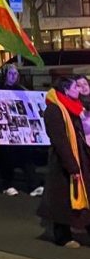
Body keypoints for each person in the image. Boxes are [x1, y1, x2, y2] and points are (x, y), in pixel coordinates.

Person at [37, 77, 90, 248]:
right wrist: (72, 165)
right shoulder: (54, 110)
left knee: (84, 196)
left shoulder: (74, 107)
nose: (78, 90)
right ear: (66, 90)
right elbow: (60, 141)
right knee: (63, 200)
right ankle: (62, 236)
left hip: (80, 157)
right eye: (75, 87)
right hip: (63, 162)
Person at [0, 64, 42, 197]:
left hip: (21, 130)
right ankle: (7, 185)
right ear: (5, 75)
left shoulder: (21, 90)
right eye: (10, 73)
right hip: (6, 130)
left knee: (26, 157)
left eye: (15, 74)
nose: (13, 76)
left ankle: (33, 185)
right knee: (7, 159)